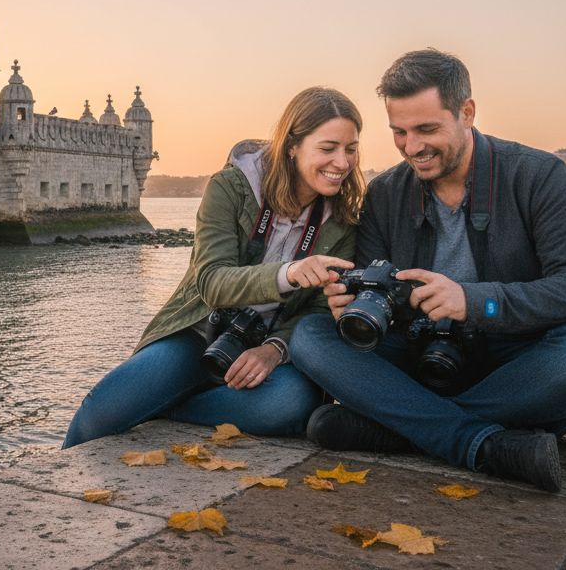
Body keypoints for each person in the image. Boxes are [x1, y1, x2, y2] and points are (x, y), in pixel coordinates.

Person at [289, 49, 566, 492]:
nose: (413, 147)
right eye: (399, 132)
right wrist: (356, 304)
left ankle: (401, 426)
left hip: (514, 356)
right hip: (419, 353)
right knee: (312, 337)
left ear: (466, 112)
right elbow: (377, 294)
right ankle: (485, 441)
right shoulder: (386, 193)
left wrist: (474, 301)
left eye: (427, 129)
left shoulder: (539, 176)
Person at [63, 87, 365, 448]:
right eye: (328, 148)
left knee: (289, 405)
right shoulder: (230, 188)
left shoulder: (343, 220)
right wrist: (289, 272)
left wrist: (274, 349)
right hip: (199, 330)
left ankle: (167, 406)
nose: (343, 163)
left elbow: (319, 310)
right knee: (100, 413)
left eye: (351, 149)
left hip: (268, 347)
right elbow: (211, 281)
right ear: (292, 146)